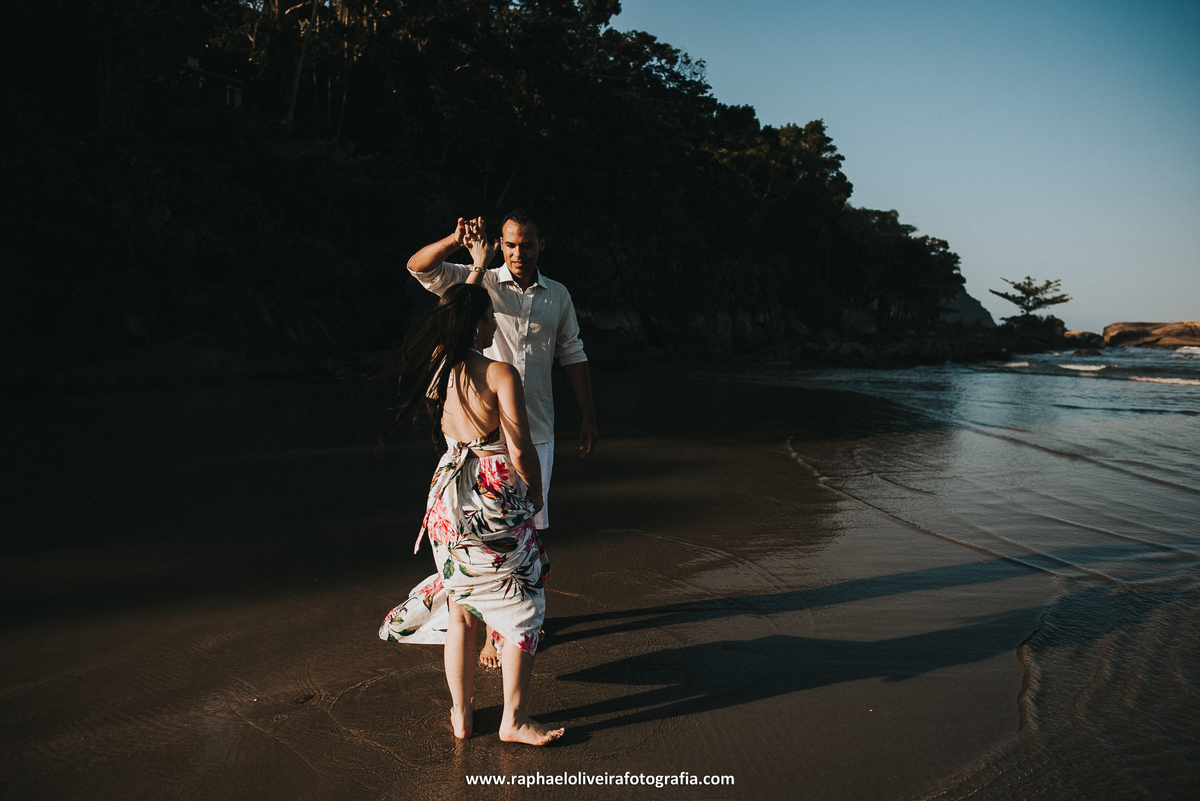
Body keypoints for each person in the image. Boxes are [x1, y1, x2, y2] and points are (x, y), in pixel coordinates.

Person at [377, 225, 563, 745]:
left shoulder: (438, 363)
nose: (492, 323)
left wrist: (477, 267)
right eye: (487, 317)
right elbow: (520, 449)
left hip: (447, 492)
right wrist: (535, 495)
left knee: (462, 609)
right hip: (491, 488)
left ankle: (461, 715)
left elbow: (456, 308)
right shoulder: (499, 373)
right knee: (523, 607)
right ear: (477, 323)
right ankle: (513, 720)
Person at [406, 210, 597, 668]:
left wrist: (588, 415)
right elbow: (419, 268)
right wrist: (455, 240)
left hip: (539, 429)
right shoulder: (480, 282)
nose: (517, 253)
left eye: (526, 244)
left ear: (541, 245)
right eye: (509, 244)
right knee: (485, 534)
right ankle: (495, 631)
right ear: (501, 244)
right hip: (484, 437)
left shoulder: (558, 295)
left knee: (529, 530)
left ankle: (513, 620)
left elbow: (572, 351)